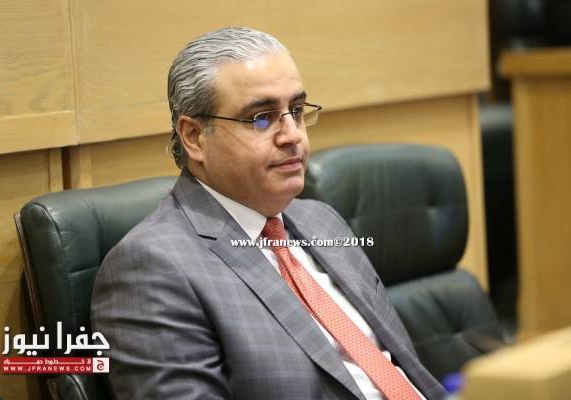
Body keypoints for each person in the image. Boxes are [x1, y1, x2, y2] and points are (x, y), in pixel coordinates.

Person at [91, 27, 446, 400]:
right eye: (261, 118)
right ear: (194, 136)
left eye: (296, 111)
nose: (292, 135)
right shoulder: (151, 268)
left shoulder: (321, 220)